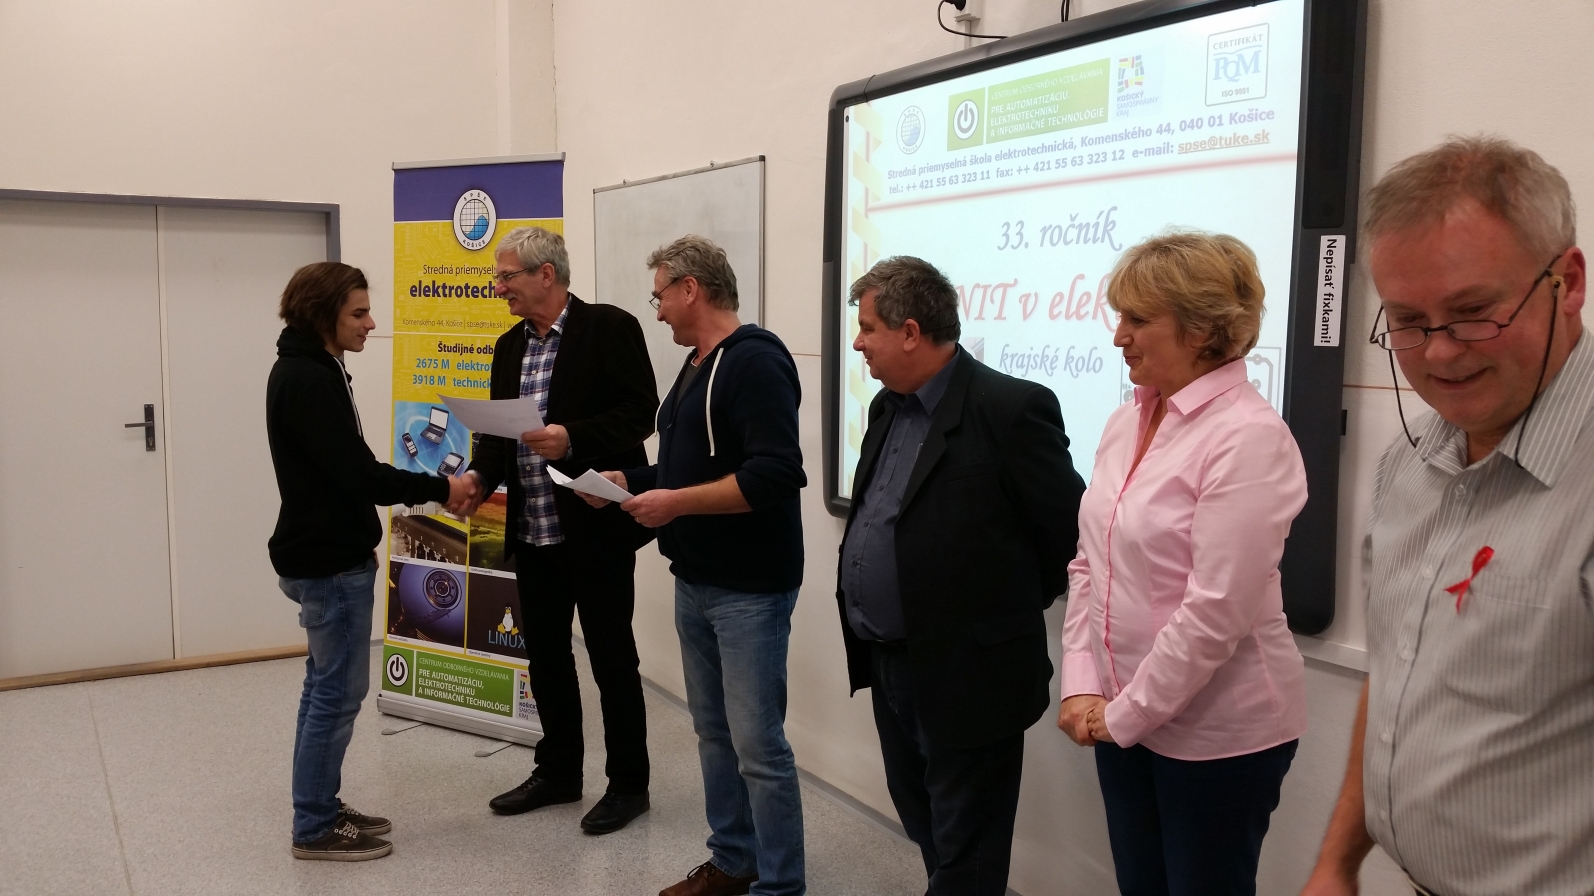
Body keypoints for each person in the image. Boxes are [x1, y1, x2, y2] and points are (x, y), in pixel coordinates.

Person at [1302, 138, 1592, 896]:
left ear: (1566, 283)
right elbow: (1397, 674)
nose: (1438, 355)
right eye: (1407, 320)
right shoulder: (1412, 460)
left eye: (1472, 314)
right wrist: (1338, 861)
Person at [1058, 232, 1308, 896]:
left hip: (1220, 734)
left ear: (1201, 330)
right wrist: (1082, 681)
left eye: (1138, 319)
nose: (1119, 336)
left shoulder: (1248, 437)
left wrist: (1126, 715)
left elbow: (1215, 611)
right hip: (1120, 713)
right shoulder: (1126, 420)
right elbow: (1089, 564)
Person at [838, 256, 1085, 896]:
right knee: (924, 820)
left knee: (967, 847)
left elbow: (1068, 534)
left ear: (910, 332)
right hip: (891, 663)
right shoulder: (886, 408)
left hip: (971, 673)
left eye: (867, 328)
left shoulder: (1010, 408)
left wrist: (997, 615)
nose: (858, 343)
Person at [582, 235, 806, 896]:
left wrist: (675, 502)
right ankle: (733, 863)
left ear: (691, 289)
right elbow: (689, 466)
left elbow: (775, 474)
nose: (656, 311)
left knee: (758, 746)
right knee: (713, 734)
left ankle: (781, 885)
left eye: (660, 296)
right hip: (696, 581)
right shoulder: (695, 365)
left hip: (749, 591)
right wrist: (631, 479)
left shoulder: (755, 362)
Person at [266, 261, 473, 861]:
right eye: (358, 313)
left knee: (324, 689)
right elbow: (357, 475)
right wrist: (440, 487)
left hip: (327, 555)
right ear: (321, 313)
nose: (370, 323)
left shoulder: (315, 367)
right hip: (329, 565)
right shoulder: (307, 378)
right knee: (335, 694)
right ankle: (313, 826)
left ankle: (320, 804)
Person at [456, 226, 659, 835]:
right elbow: (499, 435)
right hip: (533, 530)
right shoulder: (507, 347)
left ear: (546, 274)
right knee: (546, 658)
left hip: (594, 528)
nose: (499, 288)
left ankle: (628, 786)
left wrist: (572, 437)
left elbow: (640, 413)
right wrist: (478, 476)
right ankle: (559, 772)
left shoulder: (610, 328)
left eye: (506, 276)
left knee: (611, 658)